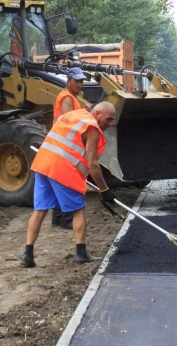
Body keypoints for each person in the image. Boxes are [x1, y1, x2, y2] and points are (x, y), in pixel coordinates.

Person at [20, 102, 117, 267]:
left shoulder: (73, 115)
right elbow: (93, 165)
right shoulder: (92, 127)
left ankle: (27, 254)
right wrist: (104, 190)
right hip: (62, 169)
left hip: (43, 165)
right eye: (108, 119)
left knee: (40, 210)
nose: (110, 124)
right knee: (78, 209)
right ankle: (81, 253)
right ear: (98, 113)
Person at [50, 67, 87, 229]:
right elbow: (68, 122)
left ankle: (57, 219)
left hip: (62, 144)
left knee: (60, 182)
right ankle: (65, 221)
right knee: (68, 182)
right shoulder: (66, 97)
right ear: (69, 80)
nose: (79, 84)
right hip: (65, 145)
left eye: (81, 81)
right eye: (76, 81)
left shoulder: (71, 97)